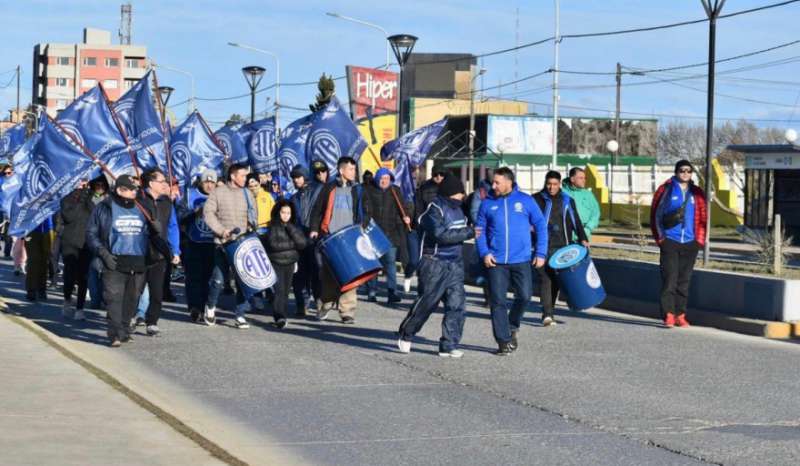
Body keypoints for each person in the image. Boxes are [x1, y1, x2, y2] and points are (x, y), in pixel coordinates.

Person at [398, 176, 475, 357]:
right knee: (427, 303)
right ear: (449, 193)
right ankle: (407, 334)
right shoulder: (434, 210)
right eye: (458, 193)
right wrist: (470, 232)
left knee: (457, 305)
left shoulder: (460, 211)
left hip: (454, 264)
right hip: (434, 263)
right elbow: (441, 235)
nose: (461, 196)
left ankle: (449, 344)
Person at [476, 166, 548, 356]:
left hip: (521, 259)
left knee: (524, 296)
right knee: (498, 301)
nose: (494, 185)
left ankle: (512, 325)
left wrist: (540, 253)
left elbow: (541, 225)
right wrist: (484, 252)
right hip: (496, 261)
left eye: (497, 182)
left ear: (509, 182)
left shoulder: (526, 201)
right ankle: (503, 340)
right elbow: (479, 231)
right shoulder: (487, 203)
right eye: (493, 182)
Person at [86, 175, 159, 347]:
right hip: (114, 259)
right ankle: (114, 334)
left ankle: (125, 330)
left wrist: (156, 229)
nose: (135, 192)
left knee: (132, 299)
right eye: (131, 189)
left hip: (138, 260)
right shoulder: (104, 207)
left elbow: (151, 233)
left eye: (135, 189)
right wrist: (103, 253)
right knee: (113, 298)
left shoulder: (142, 207)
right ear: (119, 190)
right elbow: (91, 233)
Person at [309, 156, 370, 324]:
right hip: (330, 237)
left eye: (354, 169)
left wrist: (362, 227)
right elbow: (317, 210)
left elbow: (365, 212)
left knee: (350, 275)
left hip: (350, 238)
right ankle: (326, 304)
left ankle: (347, 311)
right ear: (342, 170)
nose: (353, 172)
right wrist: (314, 229)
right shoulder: (328, 189)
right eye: (350, 169)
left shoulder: (357, 190)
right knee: (328, 275)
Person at [203, 163, 261, 329]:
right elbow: (208, 214)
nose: (245, 179)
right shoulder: (218, 192)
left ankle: (240, 314)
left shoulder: (247, 193)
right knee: (218, 280)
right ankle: (211, 306)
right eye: (242, 175)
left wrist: (252, 224)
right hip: (222, 244)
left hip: (242, 243)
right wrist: (221, 231)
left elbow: (253, 213)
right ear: (233, 176)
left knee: (243, 280)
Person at [651, 159, 708, 328]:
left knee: (684, 281)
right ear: (676, 172)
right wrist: (661, 238)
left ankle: (680, 314)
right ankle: (668, 314)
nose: (685, 173)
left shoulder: (697, 192)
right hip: (670, 241)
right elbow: (656, 214)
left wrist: (699, 240)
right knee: (670, 279)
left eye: (689, 171)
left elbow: (703, 217)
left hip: (690, 242)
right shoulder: (666, 189)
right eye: (682, 170)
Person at [532, 171, 590, 326]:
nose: (551, 187)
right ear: (545, 183)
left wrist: (583, 238)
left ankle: (550, 310)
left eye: (555, 184)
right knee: (545, 279)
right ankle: (547, 314)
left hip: (562, 246)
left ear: (560, 184)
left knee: (557, 280)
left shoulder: (566, 200)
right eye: (549, 184)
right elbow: (527, 220)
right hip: (542, 246)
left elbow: (576, 220)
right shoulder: (537, 199)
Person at [137, 169, 181, 336]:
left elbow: (172, 227)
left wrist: (175, 250)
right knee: (135, 289)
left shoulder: (167, 203)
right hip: (140, 252)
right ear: (151, 183)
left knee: (157, 290)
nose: (165, 184)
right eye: (162, 181)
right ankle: (131, 316)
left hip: (160, 253)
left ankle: (152, 321)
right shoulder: (138, 201)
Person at [364, 167, 412, 303]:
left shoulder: (395, 191)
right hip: (374, 233)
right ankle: (372, 291)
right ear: (377, 179)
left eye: (386, 178)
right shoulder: (369, 191)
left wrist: (406, 217)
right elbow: (365, 209)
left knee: (390, 263)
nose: (384, 181)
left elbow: (403, 208)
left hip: (391, 233)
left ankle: (392, 292)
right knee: (374, 264)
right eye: (381, 178)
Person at [178, 169, 218, 323]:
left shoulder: (219, 196)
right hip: (193, 242)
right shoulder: (190, 195)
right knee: (194, 277)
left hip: (213, 243)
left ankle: (206, 307)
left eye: (212, 182)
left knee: (209, 278)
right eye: (206, 182)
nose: (209, 185)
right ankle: (195, 307)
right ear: (201, 182)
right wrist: (195, 212)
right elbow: (180, 216)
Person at [59, 179, 98, 321]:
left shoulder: (89, 200)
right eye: (80, 183)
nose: (83, 187)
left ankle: (80, 309)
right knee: (69, 276)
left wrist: (87, 197)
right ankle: (67, 298)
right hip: (70, 242)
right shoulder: (66, 199)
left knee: (83, 277)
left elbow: (94, 214)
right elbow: (69, 217)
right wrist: (81, 198)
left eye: (85, 183)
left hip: (85, 243)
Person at [265, 199, 308, 328]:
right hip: (276, 262)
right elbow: (274, 245)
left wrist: (289, 227)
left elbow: (302, 243)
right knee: (279, 290)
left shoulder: (293, 226)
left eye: (288, 213)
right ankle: (279, 317)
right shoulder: (273, 226)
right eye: (283, 212)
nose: (286, 215)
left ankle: (282, 315)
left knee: (285, 292)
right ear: (278, 212)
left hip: (290, 262)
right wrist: (292, 246)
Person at [289, 164, 320, 317]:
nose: (295, 180)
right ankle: (302, 304)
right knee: (299, 275)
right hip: (299, 240)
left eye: (298, 177)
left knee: (316, 273)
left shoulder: (316, 192)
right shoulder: (293, 197)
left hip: (314, 239)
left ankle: (320, 303)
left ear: (305, 176)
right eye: (293, 178)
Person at [86, 177, 109, 309]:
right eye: (97, 185)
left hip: (106, 239)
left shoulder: (110, 199)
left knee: (106, 272)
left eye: (102, 185)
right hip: (93, 238)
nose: (100, 187)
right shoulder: (89, 199)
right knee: (94, 270)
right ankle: (95, 299)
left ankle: (105, 299)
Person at [561, 167, 600, 241]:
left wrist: (588, 229)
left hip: (585, 237)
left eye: (584, 178)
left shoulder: (588, 194)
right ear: (572, 179)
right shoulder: (562, 193)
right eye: (581, 178)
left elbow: (596, 213)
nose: (584, 180)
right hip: (565, 237)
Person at [24, 218, 53, 301]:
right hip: (30, 230)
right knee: (33, 261)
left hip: (48, 230)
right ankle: (31, 290)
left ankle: (41, 289)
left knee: (44, 262)